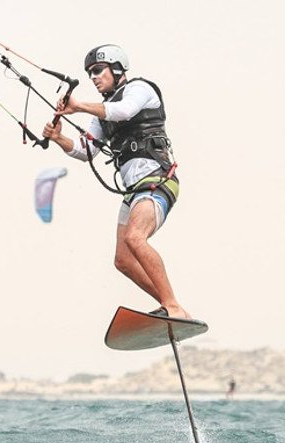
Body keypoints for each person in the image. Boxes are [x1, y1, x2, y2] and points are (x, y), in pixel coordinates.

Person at [43, 44, 189, 319]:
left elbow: (124, 110)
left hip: (157, 180)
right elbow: (86, 151)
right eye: (89, 74)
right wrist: (58, 138)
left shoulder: (139, 89)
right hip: (134, 192)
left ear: (117, 67)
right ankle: (175, 307)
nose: (94, 77)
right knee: (122, 260)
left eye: (98, 70)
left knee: (135, 238)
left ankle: (172, 305)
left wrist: (78, 106)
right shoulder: (102, 114)